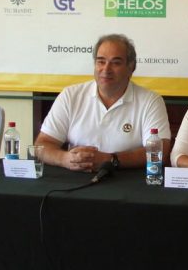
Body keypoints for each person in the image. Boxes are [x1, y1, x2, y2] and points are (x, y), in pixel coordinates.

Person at [36, 34, 170, 172]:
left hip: (126, 179)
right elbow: (42, 145)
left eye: (116, 63)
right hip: (76, 177)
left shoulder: (150, 101)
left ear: (131, 68)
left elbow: (160, 151)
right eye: (101, 61)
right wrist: (65, 159)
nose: (106, 69)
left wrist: (111, 160)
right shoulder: (70, 95)